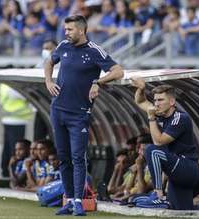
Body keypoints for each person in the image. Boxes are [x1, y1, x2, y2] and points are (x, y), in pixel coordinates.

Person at [44, 15, 124, 216]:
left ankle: (79, 201)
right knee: (63, 158)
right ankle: (69, 200)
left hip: (79, 114)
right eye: (66, 29)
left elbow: (118, 71)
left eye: (70, 29)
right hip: (58, 110)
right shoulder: (63, 45)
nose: (66, 33)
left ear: (81, 30)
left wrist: (98, 82)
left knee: (78, 157)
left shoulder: (94, 51)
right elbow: (48, 62)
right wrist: (48, 81)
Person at [130, 77, 199, 210]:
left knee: (151, 149)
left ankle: (158, 193)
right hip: (176, 170)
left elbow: (159, 141)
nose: (156, 104)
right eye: (155, 100)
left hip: (187, 167)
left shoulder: (180, 118)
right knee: (180, 210)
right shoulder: (160, 112)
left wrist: (151, 118)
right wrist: (141, 89)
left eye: (160, 100)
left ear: (172, 102)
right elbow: (140, 101)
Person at [0, 83, 34, 177]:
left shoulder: (3, 86)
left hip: (7, 119)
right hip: (18, 120)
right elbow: (27, 96)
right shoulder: (13, 86)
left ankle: (5, 171)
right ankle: (14, 172)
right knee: (17, 150)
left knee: (7, 148)